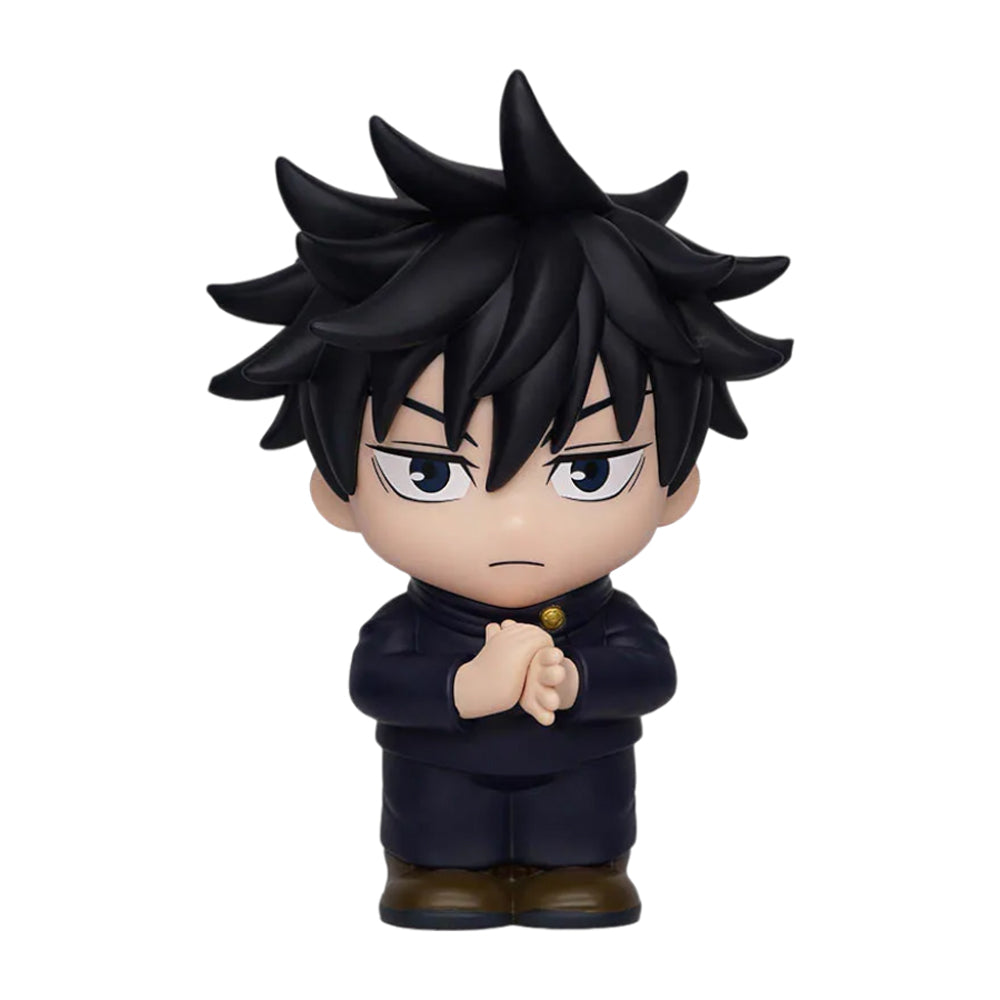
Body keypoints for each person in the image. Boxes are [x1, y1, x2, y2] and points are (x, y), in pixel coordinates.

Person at [208, 70, 792, 928]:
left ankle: (579, 871)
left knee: (580, 849)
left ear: (676, 488)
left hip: (583, 786)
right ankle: (433, 874)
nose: (516, 522)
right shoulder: (409, 626)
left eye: (589, 471)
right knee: (440, 850)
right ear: (337, 494)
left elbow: (652, 674)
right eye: (430, 473)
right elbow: (375, 682)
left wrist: (577, 676)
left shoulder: (607, 620)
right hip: (436, 790)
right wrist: (466, 688)